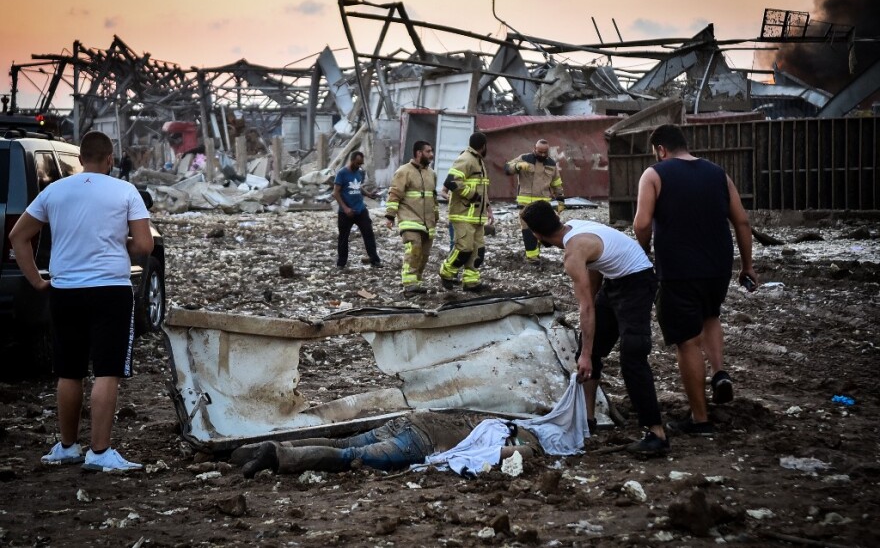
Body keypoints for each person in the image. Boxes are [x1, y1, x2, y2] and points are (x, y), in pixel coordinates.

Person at [9, 130, 154, 472]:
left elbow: (19, 236)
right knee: (107, 370)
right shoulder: (125, 190)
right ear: (110, 159)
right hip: (110, 290)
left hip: (65, 290)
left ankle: (68, 446)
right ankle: (100, 452)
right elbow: (145, 246)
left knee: (69, 371)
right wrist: (120, 243)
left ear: (80, 160)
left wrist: (36, 280)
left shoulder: (55, 190)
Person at [633, 124, 757, 436]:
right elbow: (742, 220)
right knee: (710, 315)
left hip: (678, 270)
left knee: (687, 341)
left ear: (661, 149)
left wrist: (642, 252)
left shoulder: (654, 174)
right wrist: (747, 265)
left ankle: (700, 420)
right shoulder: (718, 173)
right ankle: (719, 372)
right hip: (717, 267)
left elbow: (642, 223)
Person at [521, 200, 669, 457]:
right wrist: (587, 351)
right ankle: (588, 421)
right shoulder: (573, 228)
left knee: (633, 354)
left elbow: (586, 307)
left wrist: (587, 354)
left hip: (638, 281)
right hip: (615, 282)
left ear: (536, 235)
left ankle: (656, 434)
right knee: (588, 348)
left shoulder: (572, 254)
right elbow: (600, 268)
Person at [233, 374, 588, 478]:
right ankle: (280, 457)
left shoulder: (505, 420)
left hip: (411, 419)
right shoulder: (529, 441)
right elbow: (499, 454)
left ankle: (252, 451)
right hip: (418, 441)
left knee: (343, 442)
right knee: (352, 456)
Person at [438, 132, 491, 291]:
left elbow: (483, 190)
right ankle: (446, 272)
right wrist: (471, 195)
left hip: (477, 216)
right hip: (463, 214)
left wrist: (488, 209)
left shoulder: (479, 162)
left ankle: (471, 282)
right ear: (483, 145)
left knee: (477, 252)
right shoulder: (466, 159)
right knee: (464, 248)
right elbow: (451, 181)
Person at [384, 141, 439, 294]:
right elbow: (395, 194)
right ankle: (408, 284)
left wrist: (436, 216)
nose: (431, 155)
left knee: (424, 255)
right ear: (419, 153)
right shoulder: (404, 171)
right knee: (414, 249)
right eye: (428, 151)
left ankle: (417, 283)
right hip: (409, 219)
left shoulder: (431, 174)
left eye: (432, 151)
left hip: (428, 223)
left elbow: (433, 197)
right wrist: (390, 216)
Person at [504, 139, 566, 264]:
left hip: (543, 204)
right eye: (540, 152)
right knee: (527, 229)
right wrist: (517, 166)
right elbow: (507, 168)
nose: (542, 155)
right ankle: (532, 258)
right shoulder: (524, 158)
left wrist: (560, 200)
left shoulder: (551, 164)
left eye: (545, 152)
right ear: (534, 149)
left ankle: (535, 254)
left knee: (541, 230)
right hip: (525, 203)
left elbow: (556, 183)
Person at [333, 150, 382, 269]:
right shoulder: (342, 173)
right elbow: (335, 193)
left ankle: (375, 260)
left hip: (360, 210)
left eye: (361, 164)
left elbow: (358, 186)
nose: (359, 166)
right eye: (357, 163)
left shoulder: (359, 172)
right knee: (343, 238)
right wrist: (345, 208)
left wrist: (369, 194)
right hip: (346, 212)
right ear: (352, 160)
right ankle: (341, 263)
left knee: (368, 234)